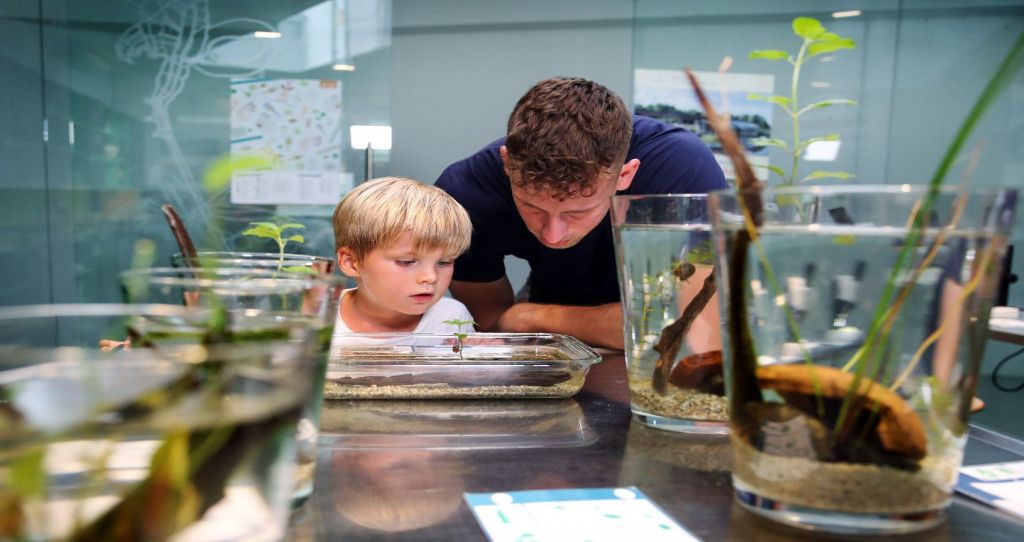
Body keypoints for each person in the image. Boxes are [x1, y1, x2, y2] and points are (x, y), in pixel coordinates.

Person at [435, 76, 727, 349]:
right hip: (551, 317)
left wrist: (530, 317)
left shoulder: (680, 172)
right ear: (507, 163)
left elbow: (690, 321)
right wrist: (517, 321)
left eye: (578, 212)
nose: (553, 235)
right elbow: (494, 324)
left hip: (560, 318)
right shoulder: (467, 195)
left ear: (625, 175)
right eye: (532, 206)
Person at [331, 176, 474, 334]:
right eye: (407, 261)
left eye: (444, 262)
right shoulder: (319, 315)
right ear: (351, 262)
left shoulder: (452, 317)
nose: (431, 277)